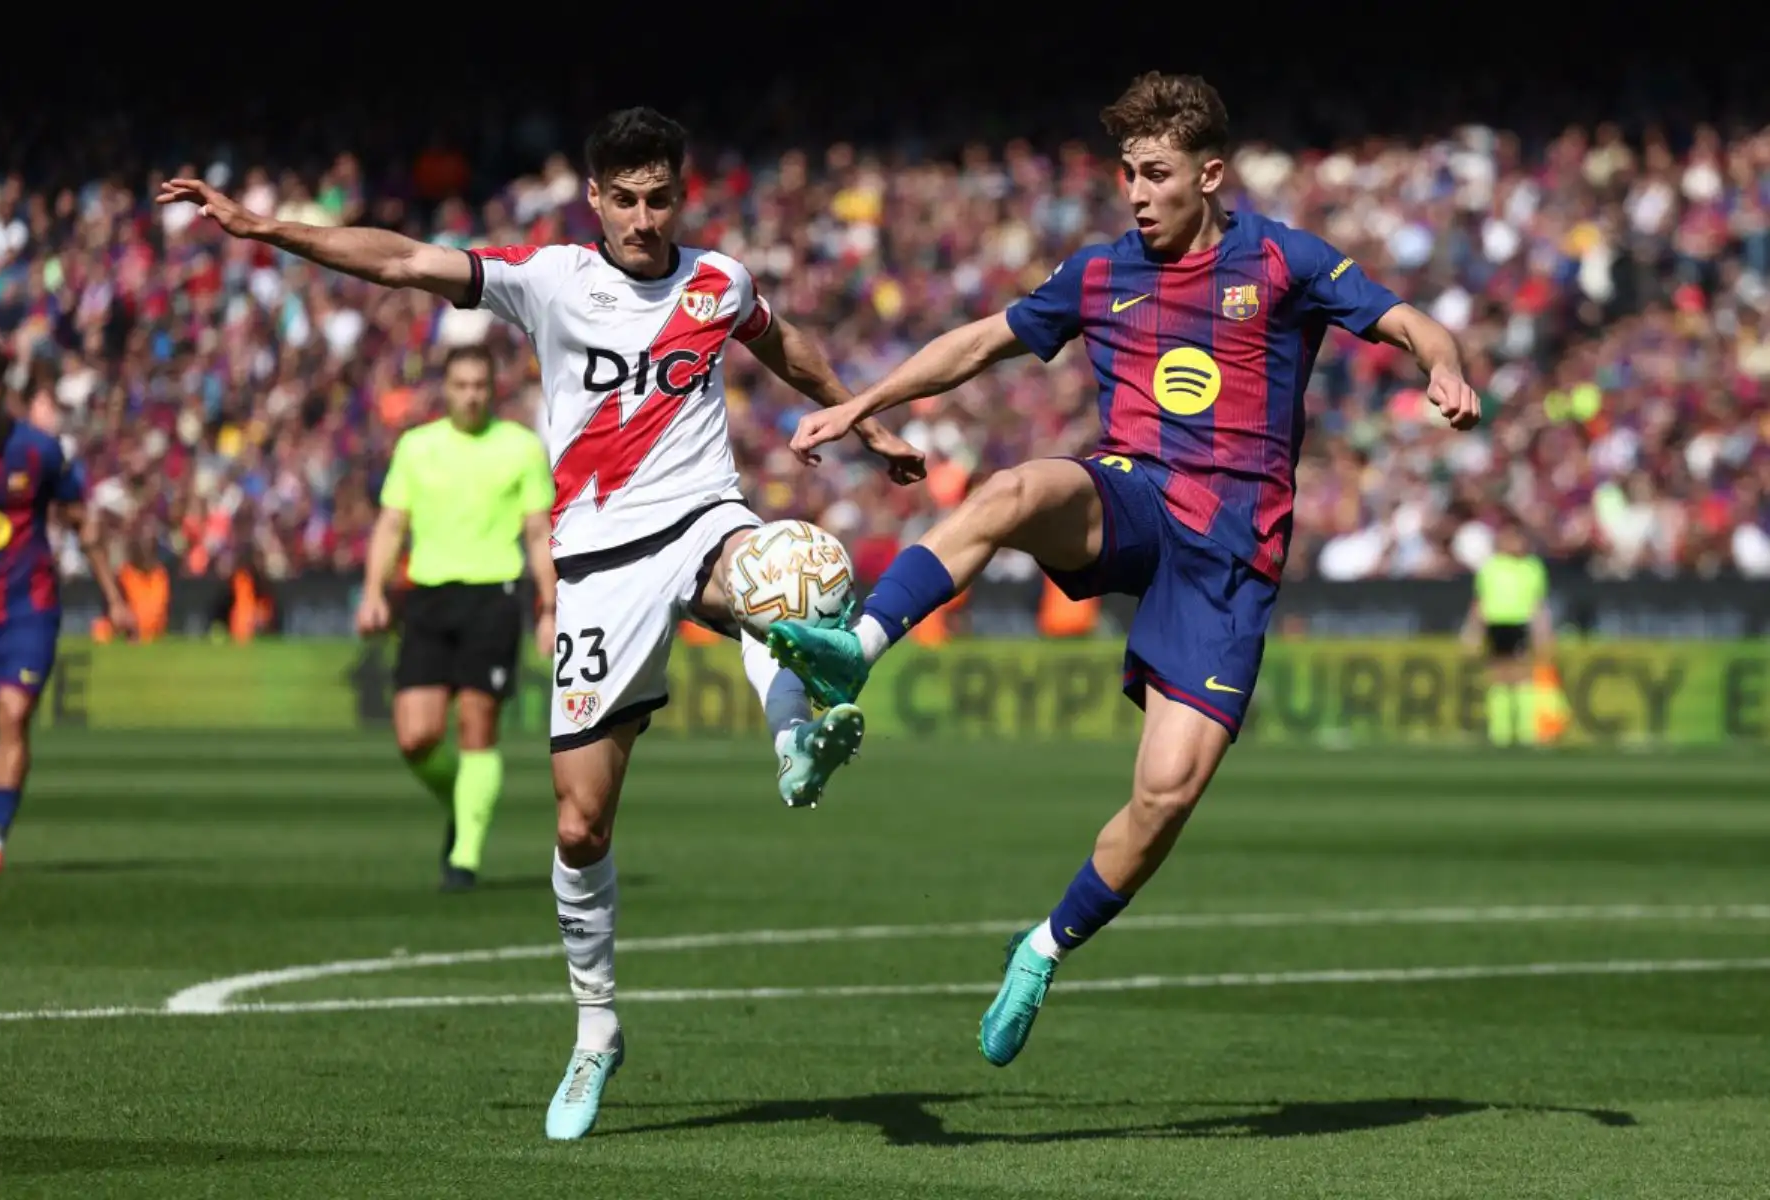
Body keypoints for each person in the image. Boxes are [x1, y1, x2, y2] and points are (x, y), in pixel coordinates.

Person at [158, 106, 926, 1137]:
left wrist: (866, 425)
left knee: (791, 569)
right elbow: (400, 262)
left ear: (680, 195)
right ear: (596, 200)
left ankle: (795, 738)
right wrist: (265, 228)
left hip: (702, 516)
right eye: (627, 200)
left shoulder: (720, 281)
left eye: (662, 199)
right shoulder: (553, 277)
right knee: (578, 822)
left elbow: (788, 349)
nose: (646, 219)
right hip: (596, 566)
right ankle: (598, 1028)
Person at [768, 73, 1481, 1068]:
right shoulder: (1102, 274)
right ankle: (860, 646)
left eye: (1156, 174)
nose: (1137, 193)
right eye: (1128, 174)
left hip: (1229, 557)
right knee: (1014, 493)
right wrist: (860, 405)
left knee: (1167, 794)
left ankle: (1042, 947)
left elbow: (1410, 321)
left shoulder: (1280, 259)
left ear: (1210, 173)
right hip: (1133, 497)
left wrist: (1443, 366)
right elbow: (981, 343)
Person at [356, 344, 559, 892]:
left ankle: (463, 858)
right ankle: (464, 803)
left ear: (493, 389)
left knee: (477, 727)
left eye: (480, 385)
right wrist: (374, 590)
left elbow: (539, 532)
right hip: (426, 596)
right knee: (415, 737)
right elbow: (391, 524)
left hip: (493, 595)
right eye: (461, 384)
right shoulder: (417, 447)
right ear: (445, 389)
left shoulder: (520, 447)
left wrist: (548, 606)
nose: (471, 394)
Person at [0, 344, 133, 876]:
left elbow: (82, 522)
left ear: (4, 389)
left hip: (27, 604)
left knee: (14, 714)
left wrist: (114, 596)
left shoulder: (39, 451)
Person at [1461, 518, 1552, 746]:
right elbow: (1479, 604)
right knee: (1498, 676)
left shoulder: (1532, 568)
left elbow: (1537, 604)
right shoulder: (1490, 568)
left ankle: (1525, 731)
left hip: (1519, 622)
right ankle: (1500, 732)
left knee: (1522, 676)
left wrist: (1543, 632)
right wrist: (1472, 631)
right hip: (1497, 623)